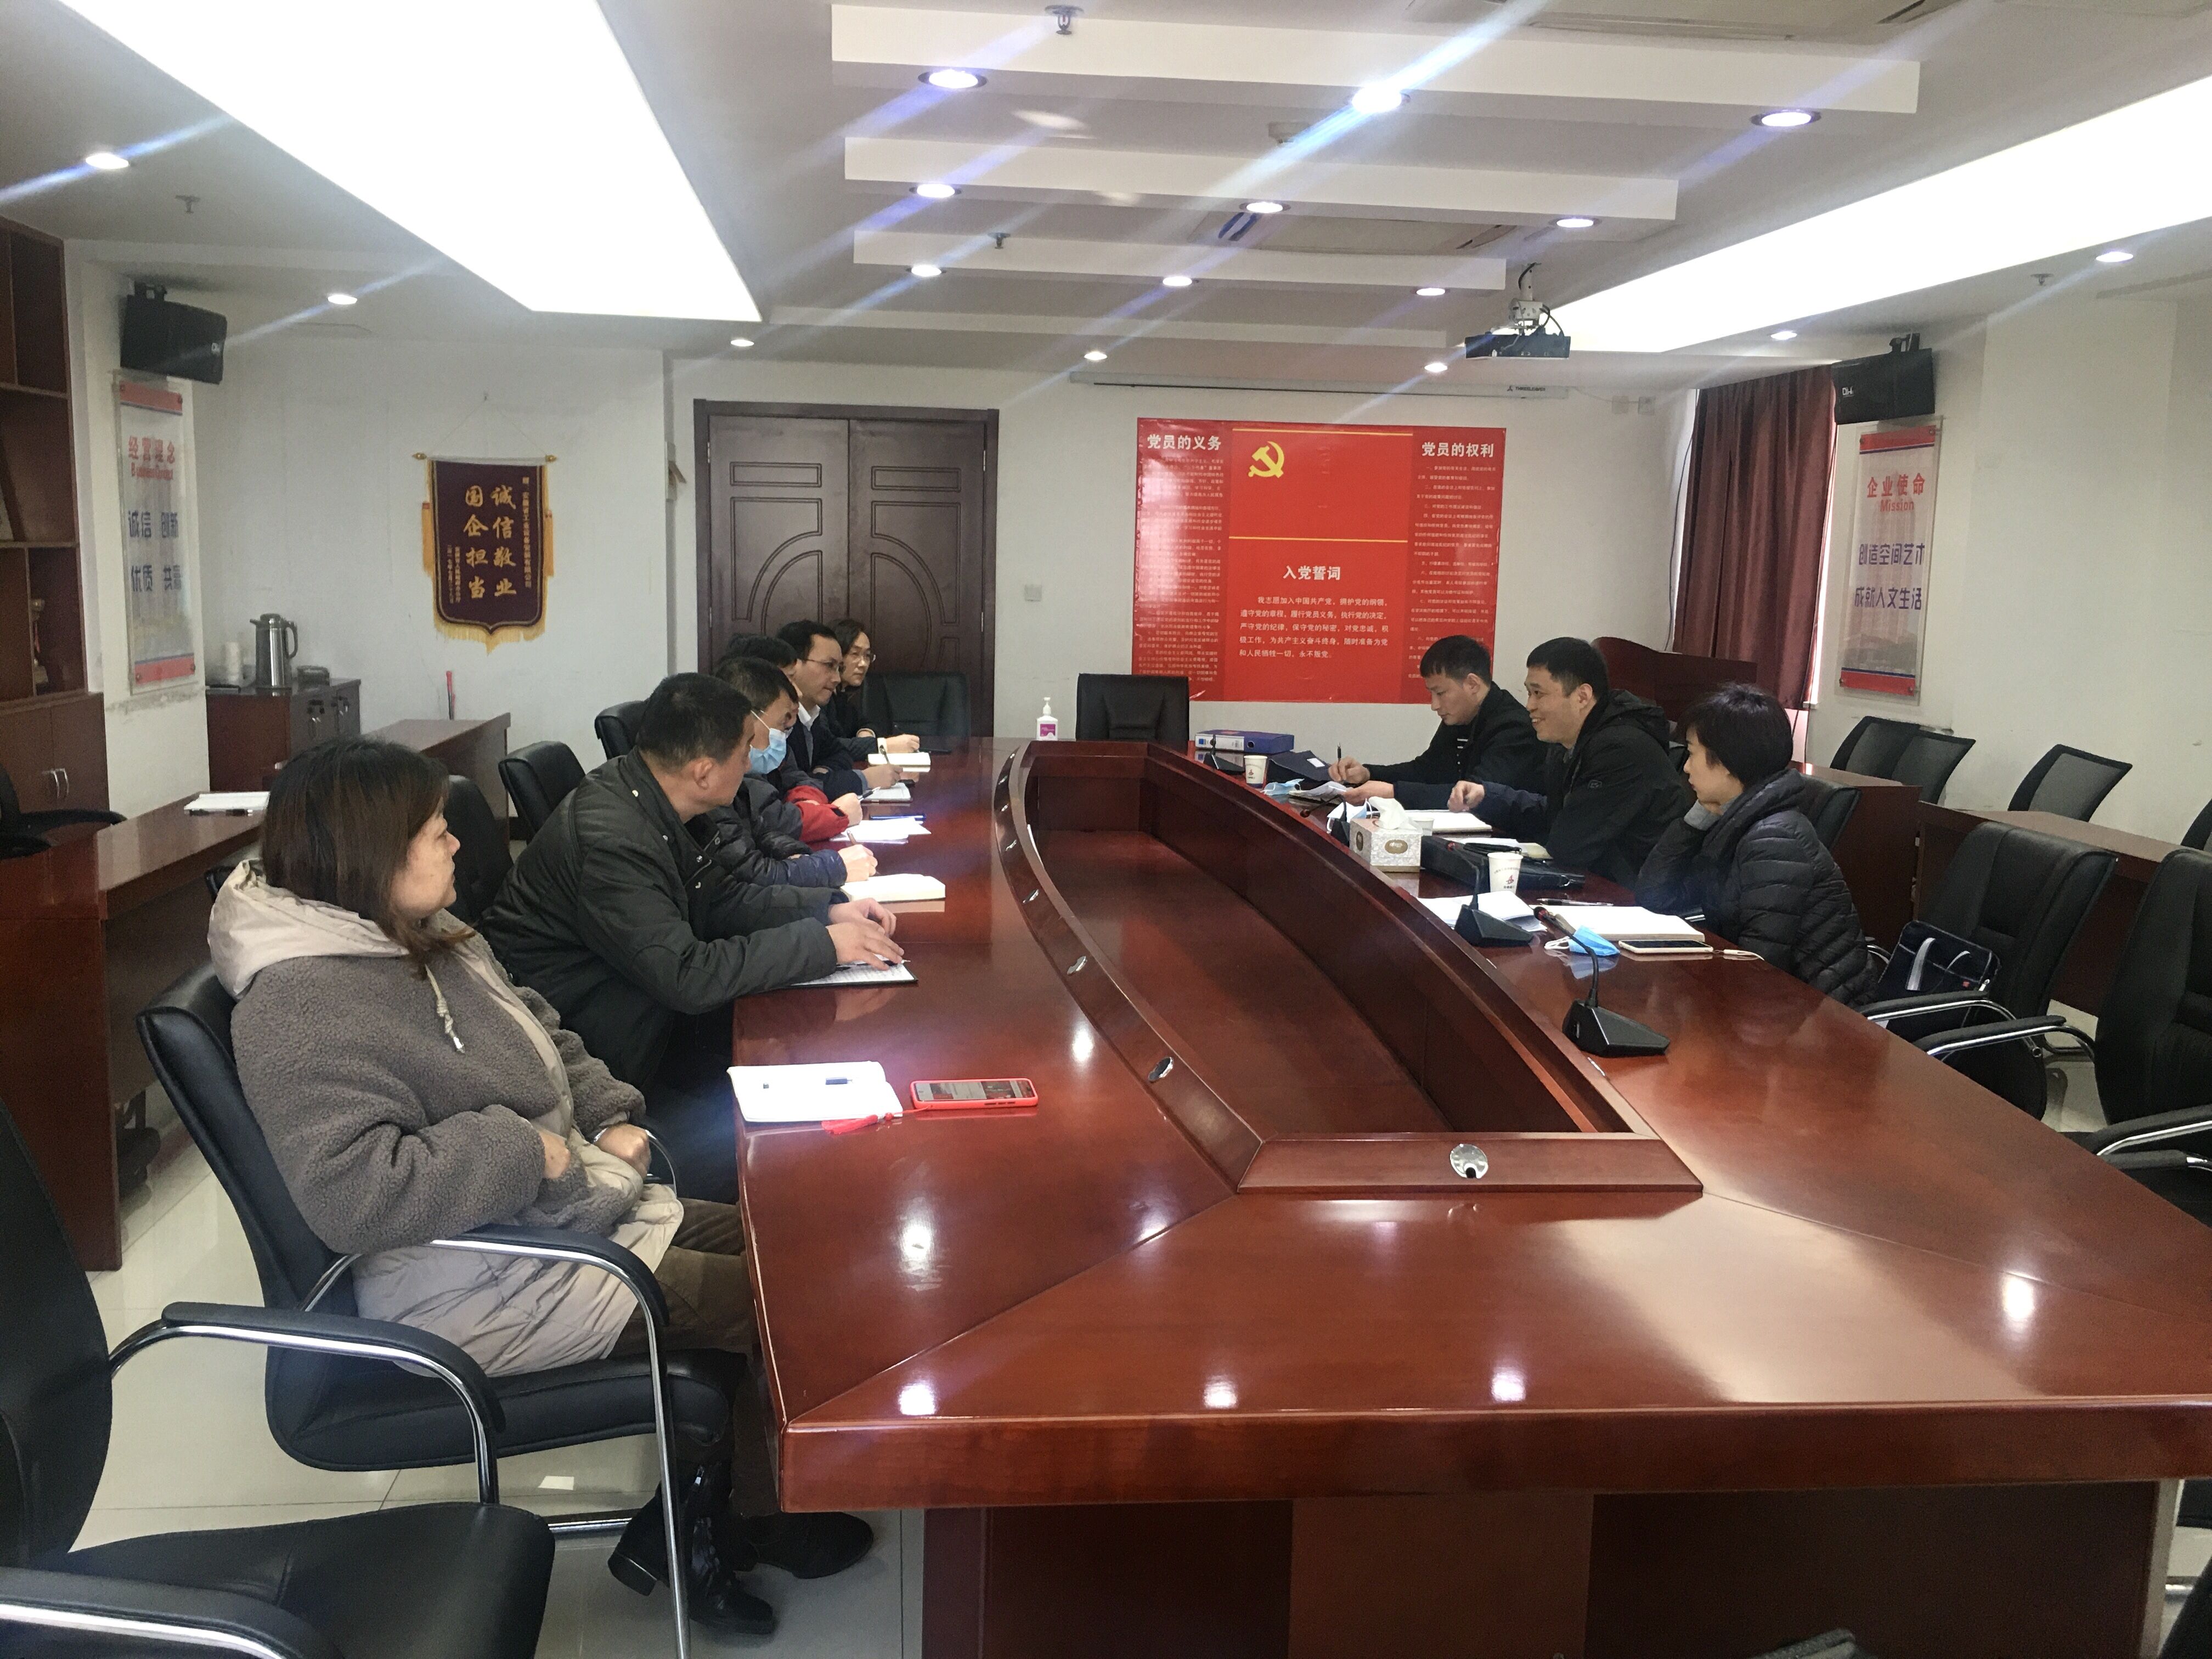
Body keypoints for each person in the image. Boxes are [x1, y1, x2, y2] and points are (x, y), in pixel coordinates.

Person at [210, 737, 871, 1638]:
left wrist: (604, 1111)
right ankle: (733, 1523)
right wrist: (527, 1149)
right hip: (476, 1281)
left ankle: (704, 1506)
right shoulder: (298, 1003)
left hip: (564, 1220)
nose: (456, 842)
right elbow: (355, 1194)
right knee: (786, 1301)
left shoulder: (421, 933)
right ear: (369, 853)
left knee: (791, 1240)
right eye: (434, 831)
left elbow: (542, 1031)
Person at [479, 673, 902, 1093]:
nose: (750, 763)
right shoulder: (612, 843)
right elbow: (687, 976)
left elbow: (720, 898)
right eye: (744, 751)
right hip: (604, 1051)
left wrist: (826, 910)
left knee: (815, 1038)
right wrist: (825, 945)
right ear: (703, 773)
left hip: (647, 1005)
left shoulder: (656, 794)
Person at [1635, 684, 1877, 1005]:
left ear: (1726, 762)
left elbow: (1759, 970)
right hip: (1780, 1001)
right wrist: (1696, 819)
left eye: (1692, 754)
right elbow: (1655, 897)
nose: (1687, 767)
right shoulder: (1734, 819)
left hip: (1823, 1014)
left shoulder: (1774, 840)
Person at [1446, 636, 1689, 883]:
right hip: (1598, 882)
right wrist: (1488, 796)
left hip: (1631, 892)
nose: (1529, 705)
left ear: (1582, 696)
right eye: (1529, 693)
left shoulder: (1621, 749)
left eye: (1538, 693)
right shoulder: (1568, 742)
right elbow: (1558, 813)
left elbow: (1568, 846)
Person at [705, 654, 875, 891]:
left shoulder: (758, 756)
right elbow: (752, 871)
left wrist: (796, 855)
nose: (796, 690)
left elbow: (763, 832)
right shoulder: (720, 779)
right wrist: (830, 865)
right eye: (790, 678)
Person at [1330, 634, 1544, 807]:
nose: (1434, 705)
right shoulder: (1461, 717)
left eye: (1440, 693)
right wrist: (1367, 774)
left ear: (1472, 684)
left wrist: (1394, 792)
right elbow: (1426, 770)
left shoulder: (1513, 727)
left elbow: (1475, 796)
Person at [726, 633, 866, 840]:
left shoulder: (776, 735)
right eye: (788, 680)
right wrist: (836, 815)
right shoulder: (732, 763)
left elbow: (799, 778)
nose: (796, 692)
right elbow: (774, 823)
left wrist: (806, 802)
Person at [776, 618, 900, 795]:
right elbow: (793, 788)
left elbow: (840, 753)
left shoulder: (812, 714)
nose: (836, 678)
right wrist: (865, 779)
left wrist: (823, 773)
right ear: (792, 665)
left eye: (838, 668)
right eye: (829, 666)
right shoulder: (777, 722)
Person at [828, 617, 921, 754]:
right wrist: (884, 746)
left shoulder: (842, 695)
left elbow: (865, 723)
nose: (863, 664)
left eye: (867, 656)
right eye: (855, 654)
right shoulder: (822, 698)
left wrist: (866, 732)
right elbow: (828, 746)